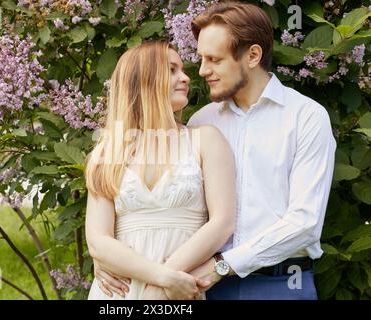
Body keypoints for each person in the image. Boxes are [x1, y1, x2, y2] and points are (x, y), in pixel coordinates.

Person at [97, 1, 336, 300]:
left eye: (214, 59)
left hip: (278, 285)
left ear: (252, 55)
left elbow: (305, 224)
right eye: (200, 58)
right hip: (199, 286)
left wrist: (223, 265)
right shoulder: (202, 122)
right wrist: (105, 257)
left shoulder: (305, 117)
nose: (201, 70)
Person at [84, 41, 236, 300]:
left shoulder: (205, 140)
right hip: (118, 292)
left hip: (175, 292)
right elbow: (99, 240)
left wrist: (163, 286)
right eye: (172, 70)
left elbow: (222, 223)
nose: (186, 77)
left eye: (183, 70)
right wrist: (162, 277)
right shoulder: (109, 151)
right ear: (143, 80)